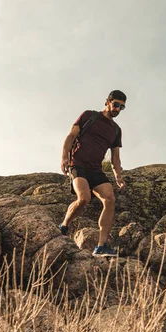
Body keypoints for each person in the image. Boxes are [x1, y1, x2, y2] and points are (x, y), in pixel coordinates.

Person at [59, 90, 127, 256]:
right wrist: (64, 158)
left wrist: (118, 176)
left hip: (95, 169)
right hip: (78, 164)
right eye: (116, 104)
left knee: (110, 199)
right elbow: (71, 136)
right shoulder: (89, 116)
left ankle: (101, 246)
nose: (118, 109)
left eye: (122, 107)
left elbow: (115, 157)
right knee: (84, 198)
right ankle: (64, 225)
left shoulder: (116, 130)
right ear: (107, 101)